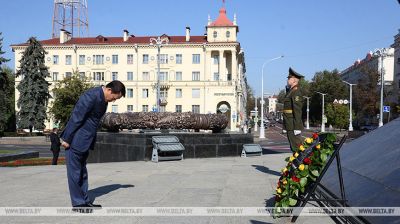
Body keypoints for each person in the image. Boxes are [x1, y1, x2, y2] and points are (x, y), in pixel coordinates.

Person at [61, 80, 125, 213]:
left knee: (82, 172)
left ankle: (84, 200)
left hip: (85, 140)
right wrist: (66, 138)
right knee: (75, 172)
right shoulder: (91, 96)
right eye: (114, 98)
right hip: (75, 140)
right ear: (109, 90)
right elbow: (76, 117)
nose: (113, 101)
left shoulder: (103, 99)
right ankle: (78, 203)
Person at [282, 67, 304, 152]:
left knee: (297, 148)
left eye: (289, 78)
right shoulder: (290, 91)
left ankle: (302, 164)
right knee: (293, 147)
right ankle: (298, 164)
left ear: (294, 80)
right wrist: (284, 126)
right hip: (289, 124)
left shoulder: (296, 91)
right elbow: (286, 110)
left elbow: (297, 110)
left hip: (293, 125)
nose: (287, 80)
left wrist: (297, 127)